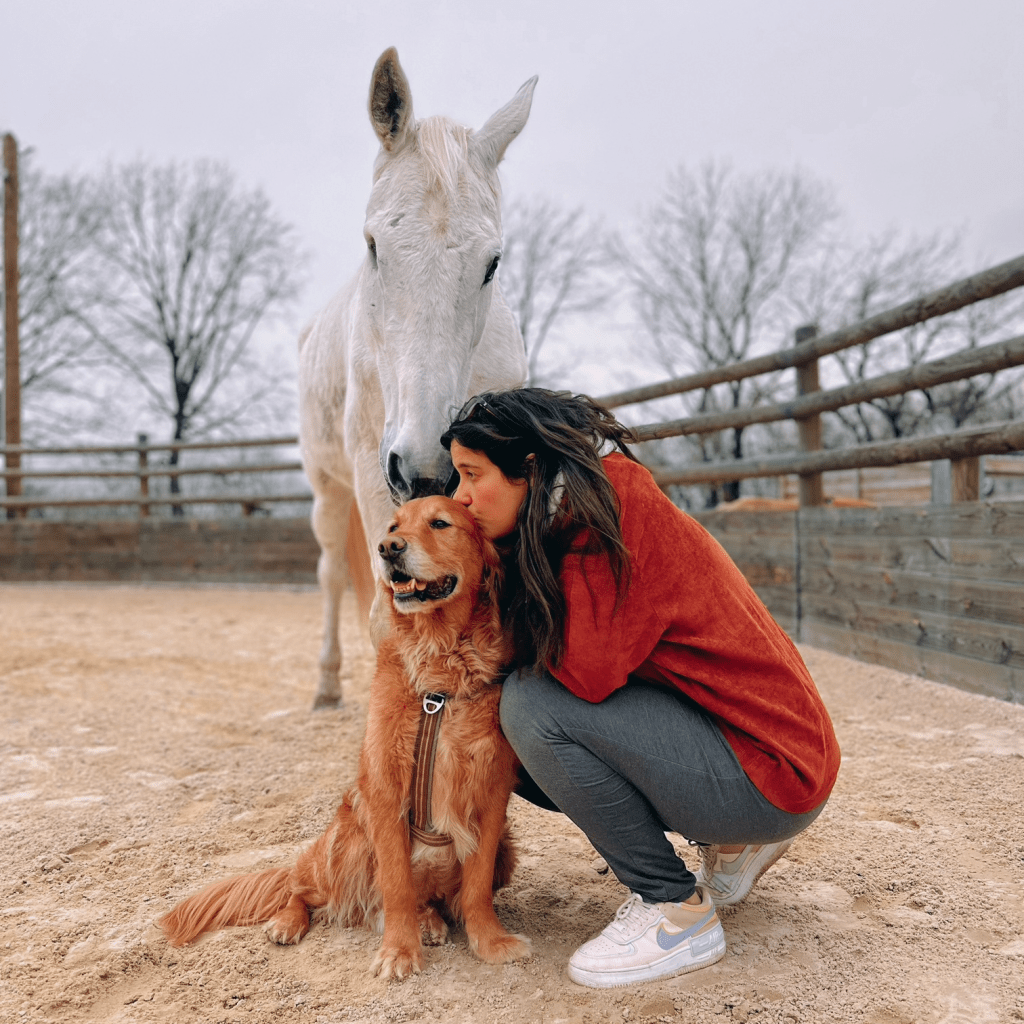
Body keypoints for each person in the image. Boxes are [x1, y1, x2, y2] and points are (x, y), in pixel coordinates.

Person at [439, 388, 840, 990]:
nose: (459, 495)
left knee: (529, 709)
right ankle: (732, 843)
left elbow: (585, 674)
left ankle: (674, 909)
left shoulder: (610, 516)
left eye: (471, 474)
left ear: (528, 470)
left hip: (774, 771)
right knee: (519, 722)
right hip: (766, 746)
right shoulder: (586, 502)